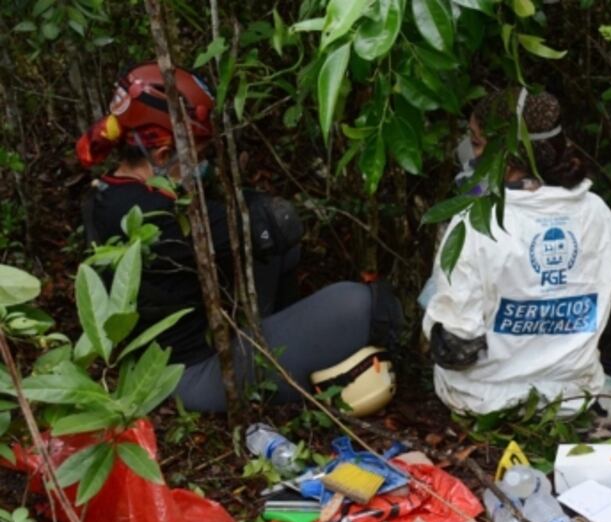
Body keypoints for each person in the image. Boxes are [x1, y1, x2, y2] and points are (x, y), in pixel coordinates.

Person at [76, 62, 398, 412]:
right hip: (193, 379)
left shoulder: (105, 196)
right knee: (363, 304)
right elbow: (279, 223)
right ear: (163, 155)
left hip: (154, 369)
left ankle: (280, 345)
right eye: (196, 157)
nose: (201, 166)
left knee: (278, 255)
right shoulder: (157, 214)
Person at [422, 88, 611, 415]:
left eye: (476, 143)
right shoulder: (597, 212)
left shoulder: (475, 223)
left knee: (440, 295)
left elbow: (457, 348)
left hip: (483, 402)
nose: (469, 154)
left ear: (506, 156)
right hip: (570, 399)